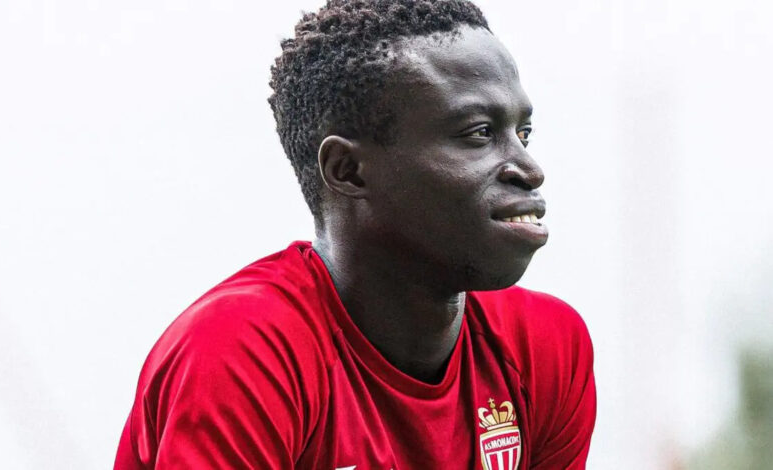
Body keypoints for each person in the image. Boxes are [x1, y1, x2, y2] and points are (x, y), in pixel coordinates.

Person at [114, 0, 596, 468]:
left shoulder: (545, 346)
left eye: (523, 134)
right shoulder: (240, 351)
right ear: (348, 170)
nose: (529, 169)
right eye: (479, 133)